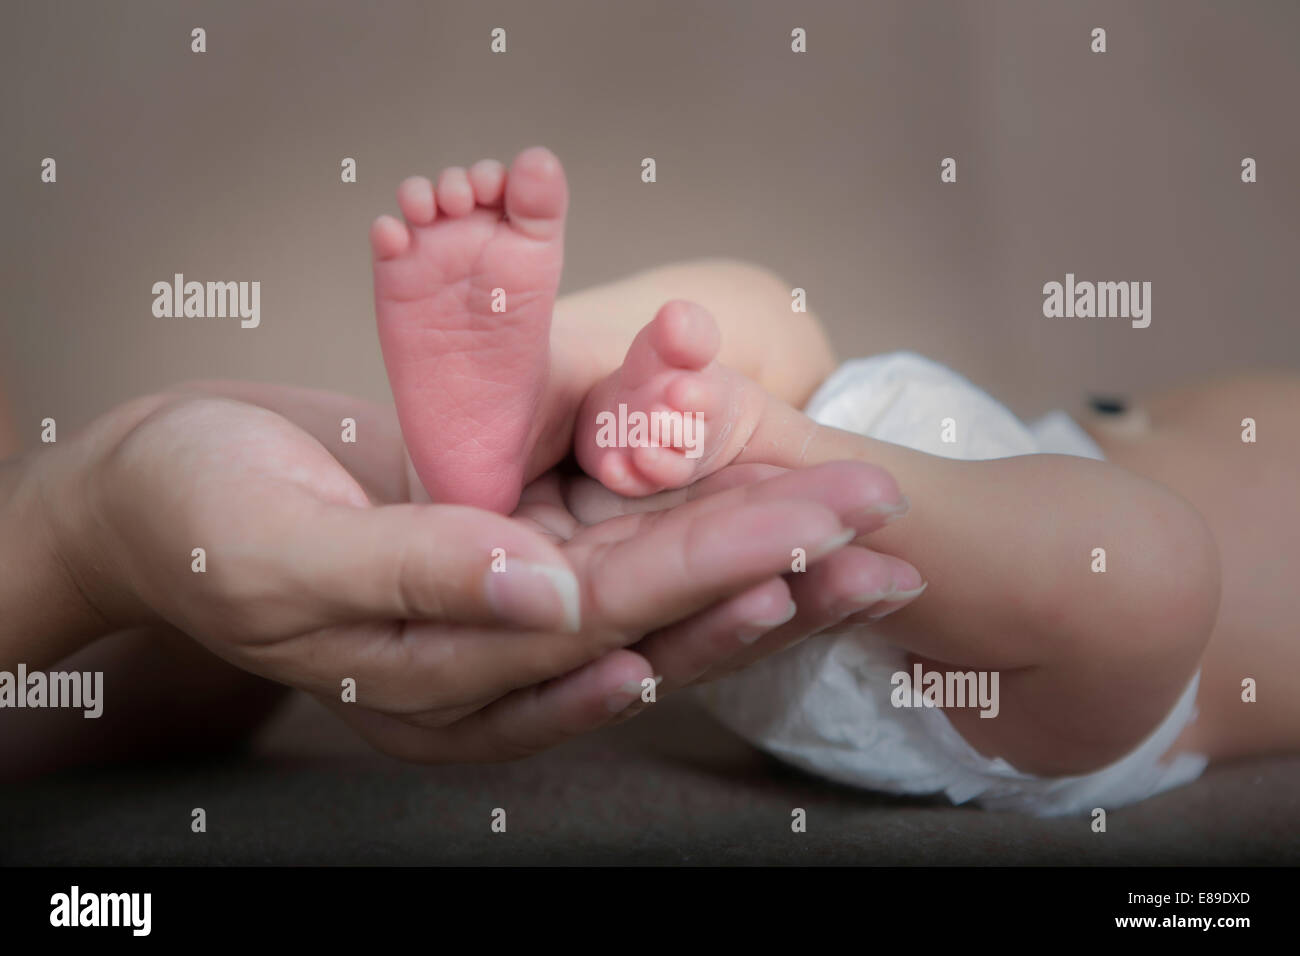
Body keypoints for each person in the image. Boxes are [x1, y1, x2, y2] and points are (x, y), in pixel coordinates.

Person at [372, 147, 1299, 813]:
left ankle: (760, 446)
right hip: (967, 473)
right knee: (765, 310)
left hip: (1047, 681)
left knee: (1148, 567)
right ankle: (547, 395)